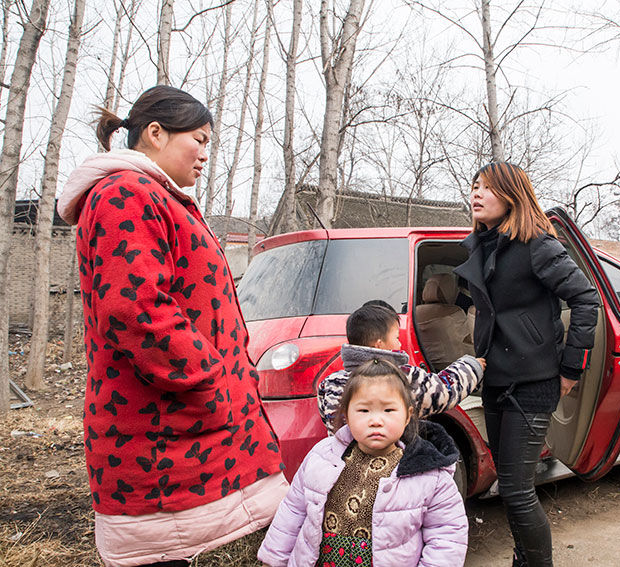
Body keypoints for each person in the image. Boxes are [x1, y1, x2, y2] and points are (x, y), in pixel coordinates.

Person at [57, 85, 287, 567]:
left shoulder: (156, 197)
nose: (205, 154)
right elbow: (137, 312)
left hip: (190, 440)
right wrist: (213, 381)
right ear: (156, 134)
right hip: (166, 441)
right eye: (199, 140)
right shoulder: (125, 195)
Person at [453, 162, 600, 567]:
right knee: (509, 486)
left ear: (511, 195)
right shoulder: (482, 246)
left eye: (486, 188)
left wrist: (572, 368)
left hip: (534, 383)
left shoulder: (538, 244)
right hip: (497, 380)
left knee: (518, 491)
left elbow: (587, 300)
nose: (476, 194)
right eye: (474, 186)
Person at [258, 359, 468, 566]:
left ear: (407, 416)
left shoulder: (429, 475)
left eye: (388, 410)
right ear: (346, 415)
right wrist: (274, 558)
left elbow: (447, 538)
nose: (376, 420)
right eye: (364, 411)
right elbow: (293, 511)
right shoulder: (322, 457)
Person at [317, 302, 485, 434]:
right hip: (390, 464)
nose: (399, 343)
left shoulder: (330, 383)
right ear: (379, 344)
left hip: (349, 464)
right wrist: (473, 365)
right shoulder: (399, 377)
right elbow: (442, 392)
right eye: (396, 338)